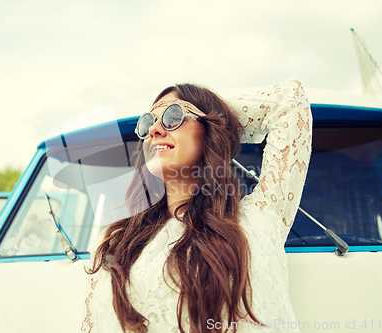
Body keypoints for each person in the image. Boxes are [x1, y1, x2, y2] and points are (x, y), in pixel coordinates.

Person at [81, 79, 312, 333]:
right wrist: (182, 113)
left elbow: (290, 98)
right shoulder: (115, 240)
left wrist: (218, 115)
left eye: (173, 115)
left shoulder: (260, 217)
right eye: (148, 122)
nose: (154, 130)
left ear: (210, 130)